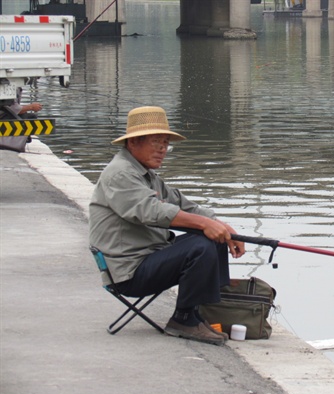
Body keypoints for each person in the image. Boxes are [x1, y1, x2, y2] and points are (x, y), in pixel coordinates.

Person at [89, 106, 245, 346]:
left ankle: (204, 312)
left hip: (151, 257)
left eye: (165, 144)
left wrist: (223, 227)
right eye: (156, 143)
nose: (163, 150)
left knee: (212, 239)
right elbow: (151, 211)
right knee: (200, 246)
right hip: (129, 272)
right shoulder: (120, 174)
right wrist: (205, 224)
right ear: (133, 143)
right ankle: (184, 319)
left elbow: (181, 204)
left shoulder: (147, 175)